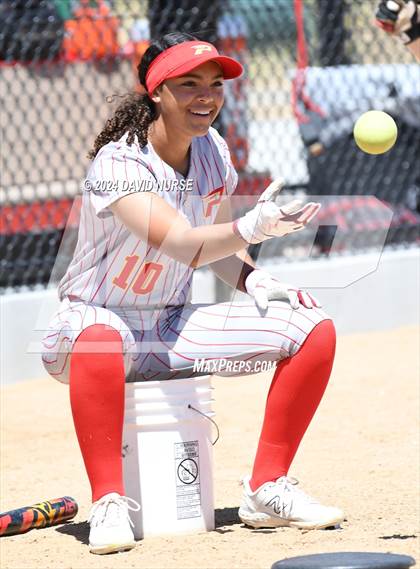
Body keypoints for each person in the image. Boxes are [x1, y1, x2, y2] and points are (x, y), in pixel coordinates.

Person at [41, 32, 344, 555]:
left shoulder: (213, 151)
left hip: (169, 326)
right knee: (100, 334)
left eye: (215, 84)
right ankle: (109, 502)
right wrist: (255, 226)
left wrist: (255, 279)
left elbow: (219, 246)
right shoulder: (119, 163)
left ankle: (267, 489)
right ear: (156, 91)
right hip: (89, 324)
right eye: (189, 84)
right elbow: (183, 244)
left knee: (311, 328)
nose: (206, 96)